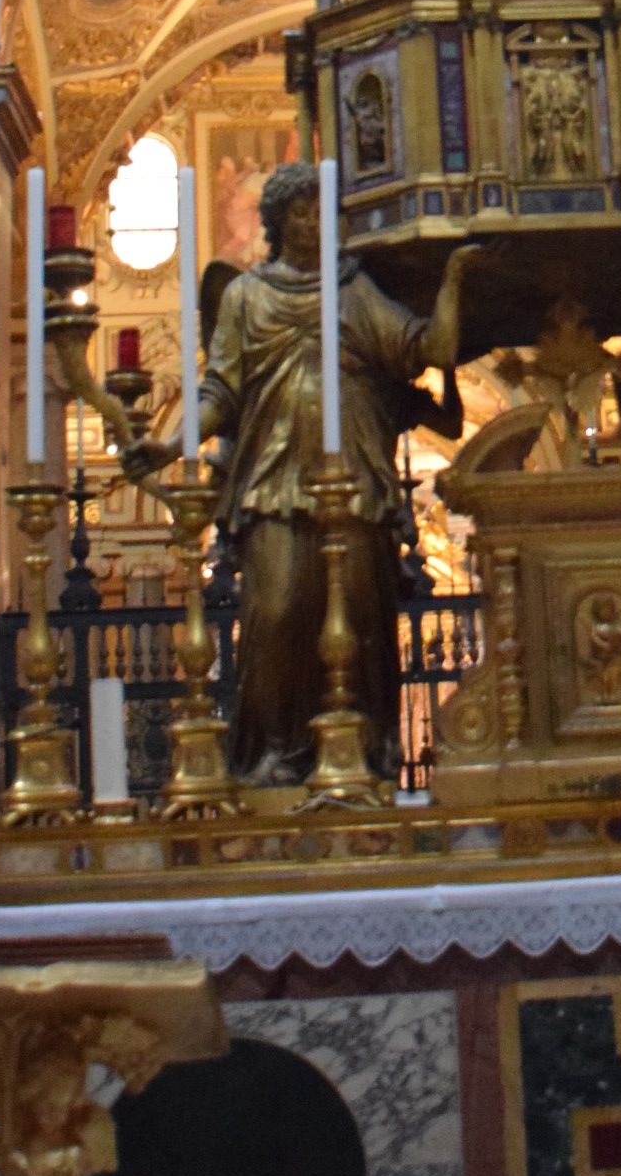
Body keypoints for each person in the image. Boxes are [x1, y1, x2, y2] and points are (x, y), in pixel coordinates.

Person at [130, 166, 474, 781]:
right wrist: (171, 443)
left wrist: (452, 278)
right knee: (277, 612)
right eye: (299, 212)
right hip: (273, 479)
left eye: (321, 212)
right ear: (276, 221)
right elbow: (220, 392)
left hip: (355, 481)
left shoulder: (354, 291)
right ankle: (272, 755)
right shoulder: (245, 297)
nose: (313, 223)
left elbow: (430, 349)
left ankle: (361, 755)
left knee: (362, 617)